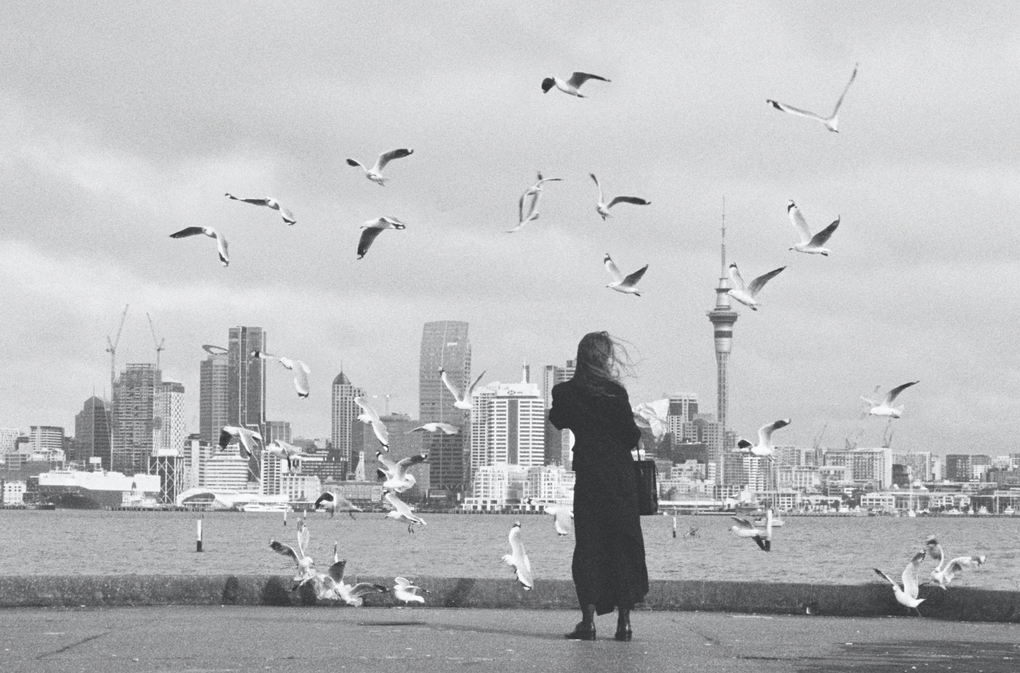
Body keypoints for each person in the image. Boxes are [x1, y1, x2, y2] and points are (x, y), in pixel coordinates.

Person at [548, 331, 649, 641]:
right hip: (619, 479)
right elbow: (632, 436)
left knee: (589, 546)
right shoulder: (615, 393)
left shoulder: (565, 391)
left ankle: (588, 622)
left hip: (590, 477)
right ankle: (624, 623)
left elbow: (558, 420)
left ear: (581, 357)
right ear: (605, 358)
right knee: (623, 543)